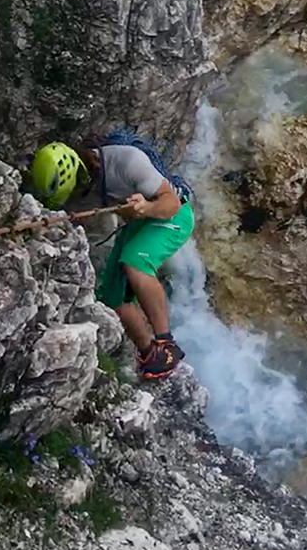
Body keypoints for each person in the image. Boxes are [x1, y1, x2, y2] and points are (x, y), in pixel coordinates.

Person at [28, 141, 193, 380]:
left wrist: (146, 208)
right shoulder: (81, 191)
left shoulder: (128, 161)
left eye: (77, 190)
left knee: (135, 262)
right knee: (113, 297)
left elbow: (171, 203)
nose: (78, 197)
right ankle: (151, 356)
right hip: (139, 224)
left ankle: (167, 343)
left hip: (173, 216)